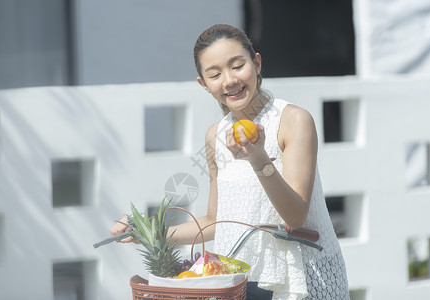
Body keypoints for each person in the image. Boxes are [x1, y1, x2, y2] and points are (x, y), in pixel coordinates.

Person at [111, 24, 350, 300]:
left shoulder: (293, 120)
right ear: (203, 83)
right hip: (241, 284)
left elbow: (295, 216)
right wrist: (146, 230)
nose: (229, 80)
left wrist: (258, 159)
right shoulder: (215, 135)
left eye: (237, 66)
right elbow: (216, 222)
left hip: (302, 281)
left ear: (256, 63)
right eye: (215, 74)